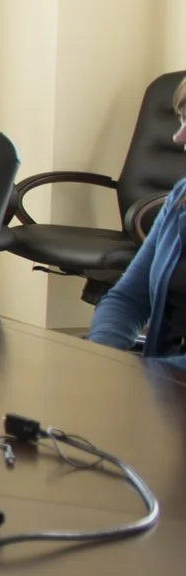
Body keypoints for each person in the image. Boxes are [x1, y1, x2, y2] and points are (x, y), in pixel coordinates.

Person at [86, 81, 186, 370]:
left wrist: (144, 377)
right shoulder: (181, 197)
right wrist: (100, 354)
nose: (178, 137)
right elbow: (128, 298)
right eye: (182, 119)